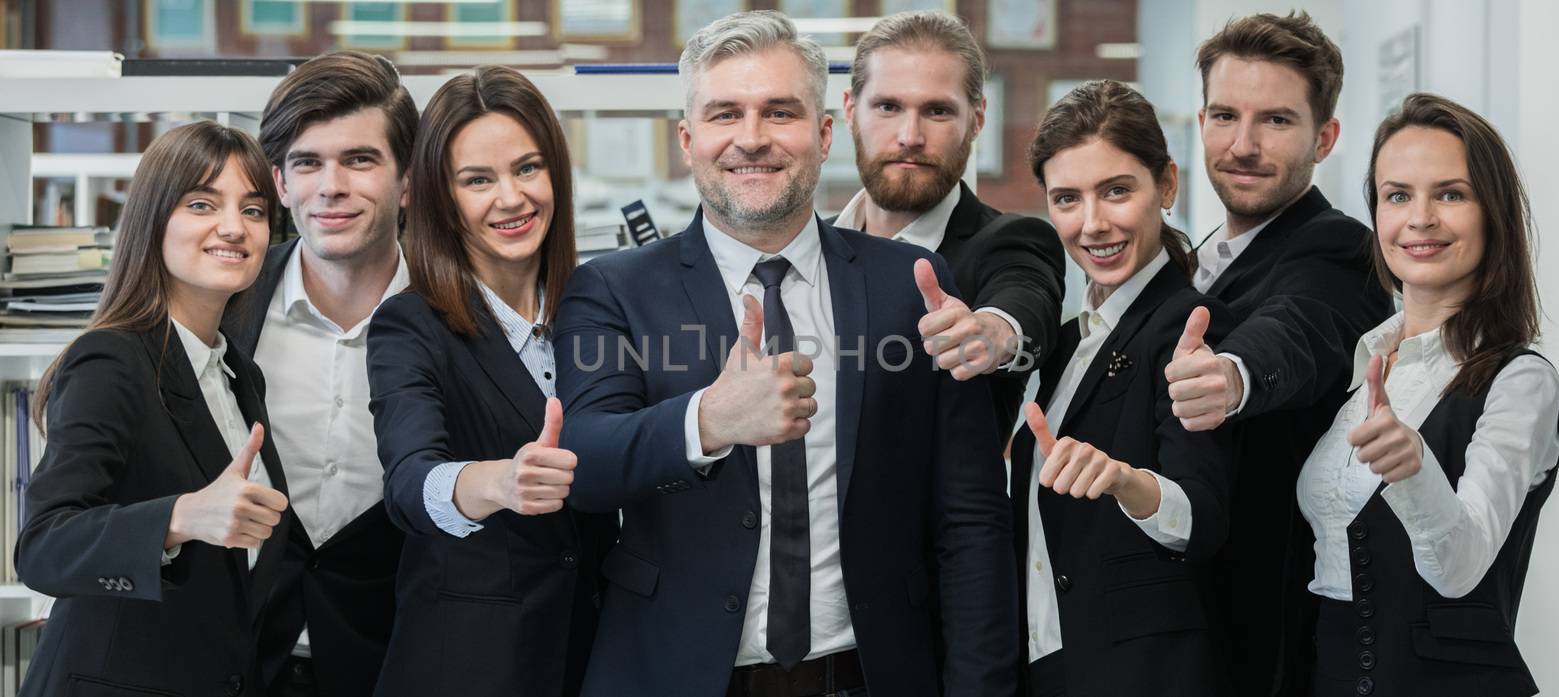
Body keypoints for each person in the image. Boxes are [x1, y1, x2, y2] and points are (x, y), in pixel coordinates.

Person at [556, 11, 1017, 697]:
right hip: (673, 676)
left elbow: (971, 519)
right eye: (724, 114)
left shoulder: (909, 285)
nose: (752, 139)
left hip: (869, 676)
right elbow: (584, 463)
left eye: (780, 112)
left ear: (824, 133)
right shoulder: (612, 289)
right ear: (688, 139)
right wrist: (708, 419)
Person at [1298, 93, 1559, 697]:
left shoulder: (1520, 381)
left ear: (1491, 214)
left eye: (1450, 194)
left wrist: (1415, 469)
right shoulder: (1363, 367)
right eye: (1397, 196)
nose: (1420, 218)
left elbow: (1460, 568)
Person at [365, 65, 617, 697]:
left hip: (598, 654)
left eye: (528, 168)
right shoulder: (410, 323)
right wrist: (499, 480)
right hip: (469, 668)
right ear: (441, 198)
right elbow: (410, 481)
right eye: (478, 180)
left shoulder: (601, 303)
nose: (511, 198)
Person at [16, 121, 289, 697]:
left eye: (255, 209)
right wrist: (181, 517)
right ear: (152, 220)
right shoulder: (112, 358)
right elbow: (43, 546)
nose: (234, 227)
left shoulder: (238, 371)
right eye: (201, 203)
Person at [1167, 12, 1395, 692]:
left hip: (1259, 643)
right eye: (1225, 115)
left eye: (1276, 121)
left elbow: (1299, 328)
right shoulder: (1195, 255)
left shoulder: (1342, 250)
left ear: (1324, 138)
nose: (1242, 144)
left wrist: (1232, 376)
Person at [1014, 80, 1238, 697]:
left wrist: (1123, 480)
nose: (1092, 224)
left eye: (1116, 191)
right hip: (1053, 658)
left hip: (1142, 674)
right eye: (1066, 199)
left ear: (1166, 186)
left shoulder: (1191, 329)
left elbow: (1202, 518)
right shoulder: (1066, 341)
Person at [225, 50, 416, 697]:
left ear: (407, 179)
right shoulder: (223, 305)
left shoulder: (459, 321)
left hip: (400, 664)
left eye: (359, 160)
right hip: (239, 665)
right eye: (307, 162)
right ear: (279, 183)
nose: (330, 186)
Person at [832, 10, 1065, 440]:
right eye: (888, 106)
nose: (909, 136)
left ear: (976, 119)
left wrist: (993, 334)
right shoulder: (806, 246)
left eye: (937, 111)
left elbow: (1026, 301)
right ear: (850, 109)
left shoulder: (1010, 241)